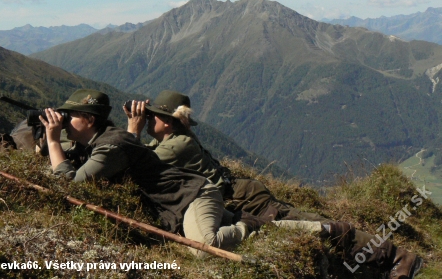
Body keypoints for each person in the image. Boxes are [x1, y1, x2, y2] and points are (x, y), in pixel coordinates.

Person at [125, 90, 423, 278]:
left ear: (170, 122)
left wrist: (131, 129)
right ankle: (381, 259)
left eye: (155, 117)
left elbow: (136, 163)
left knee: (311, 224)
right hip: (236, 194)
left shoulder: (175, 145)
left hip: (242, 197)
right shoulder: (167, 140)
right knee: (302, 223)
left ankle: (397, 257)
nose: (150, 120)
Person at [39, 88, 265, 258]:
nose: (63, 121)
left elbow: (70, 183)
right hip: (176, 202)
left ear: (89, 119)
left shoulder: (111, 147)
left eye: (69, 116)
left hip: (193, 195)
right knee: (226, 229)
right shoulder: (94, 142)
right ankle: (262, 223)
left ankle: (249, 226)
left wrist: (53, 141)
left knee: (204, 249)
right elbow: (70, 162)